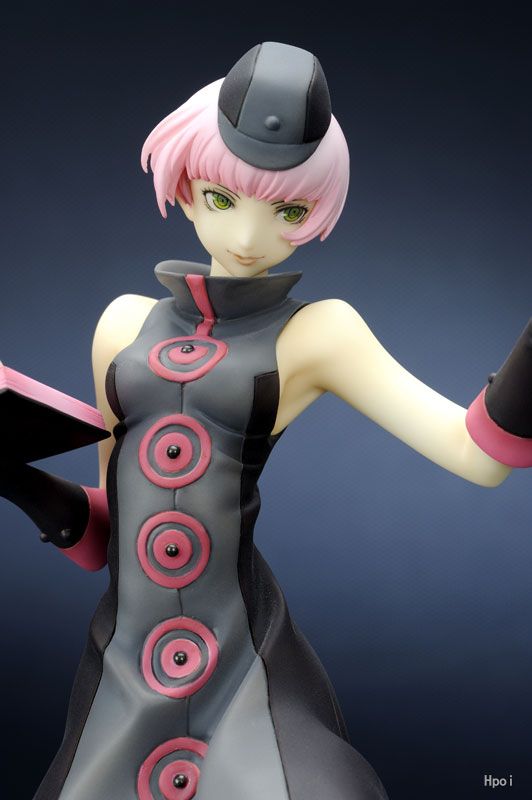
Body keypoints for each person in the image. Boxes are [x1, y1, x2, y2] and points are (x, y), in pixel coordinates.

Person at [2, 41, 531, 800]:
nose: (249, 239)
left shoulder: (319, 333)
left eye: (286, 211)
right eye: (223, 200)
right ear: (185, 188)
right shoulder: (121, 325)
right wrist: (16, 478)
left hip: (244, 666)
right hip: (123, 669)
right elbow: (109, 536)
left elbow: (479, 456)